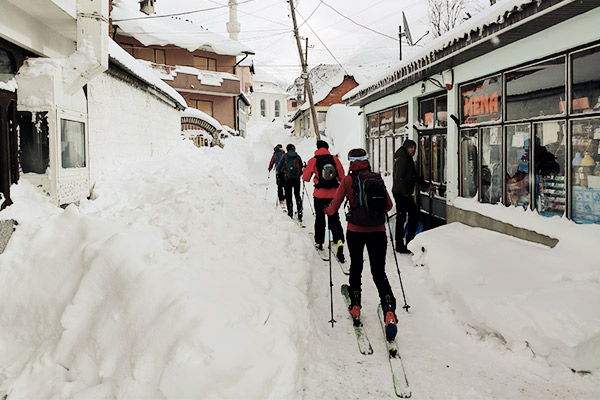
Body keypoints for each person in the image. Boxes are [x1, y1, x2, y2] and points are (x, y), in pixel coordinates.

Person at [324, 148, 398, 341]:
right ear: (366, 161)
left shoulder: (348, 181)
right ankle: (389, 310)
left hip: (355, 231)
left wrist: (328, 211)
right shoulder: (377, 178)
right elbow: (389, 206)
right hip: (378, 231)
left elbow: (335, 204)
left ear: (351, 162)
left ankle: (355, 306)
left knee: (356, 267)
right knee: (378, 272)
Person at [303, 140, 346, 262]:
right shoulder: (334, 159)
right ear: (327, 148)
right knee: (334, 217)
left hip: (319, 195)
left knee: (320, 218)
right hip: (334, 195)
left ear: (317, 148)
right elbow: (342, 177)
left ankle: (319, 242)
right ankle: (338, 240)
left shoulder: (314, 160)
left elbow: (305, 178)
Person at [392, 139, 433, 254]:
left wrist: (426, 185)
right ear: (406, 148)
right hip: (400, 194)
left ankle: (409, 241)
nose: (413, 150)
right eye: (411, 148)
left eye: (414, 148)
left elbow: (414, 177)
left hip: (405, 194)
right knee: (402, 218)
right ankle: (400, 245)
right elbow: (398, 179)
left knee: (412, 216)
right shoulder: (402, 160)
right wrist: (405, 194)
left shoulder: (408, 160)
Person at [277, 144, 304, 221]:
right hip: (296, 179)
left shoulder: (285, 156)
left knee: (288, 195)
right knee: (297, 194)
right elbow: (301, 167)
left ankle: (290, 212)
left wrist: (280, 175)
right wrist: (299, 175)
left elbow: (279, 167)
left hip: (287, 179)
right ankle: (299, 212)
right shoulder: (297, 157)